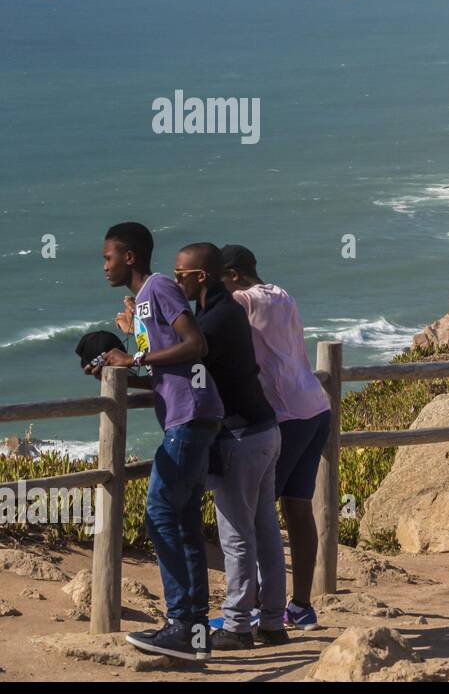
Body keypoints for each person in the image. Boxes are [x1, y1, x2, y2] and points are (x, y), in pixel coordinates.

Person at [90, 223, 223, 661]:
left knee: (160, 514)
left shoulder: (159, 287)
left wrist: (135, 356)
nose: (104, 264)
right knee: (182, 522)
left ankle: (181, 623)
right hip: (191, 413)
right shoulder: (147, 300)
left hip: (189, 417)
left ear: (129, 257)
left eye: (108, 256)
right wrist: (124, 373)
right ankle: (196, 633)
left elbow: (195, 344)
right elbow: (169, 370)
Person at [173, 243, 290, 650]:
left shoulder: (214, 319)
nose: (176, 282)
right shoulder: (229, 311)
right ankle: (273, 622)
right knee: (265, 530)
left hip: (239, 437)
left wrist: (136, 349)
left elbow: (185, 363)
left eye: (181, 274)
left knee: (237, 536)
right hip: (264, 429)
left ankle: (238, 626)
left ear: (201, 276)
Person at [221, 244, 331, 631]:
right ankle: (300, 606)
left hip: (284, 416)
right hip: (316, 408)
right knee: (298, 509)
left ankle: (254, 608)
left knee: (254, 515)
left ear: (233, 275)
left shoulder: (241, 301)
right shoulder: (281, 294)